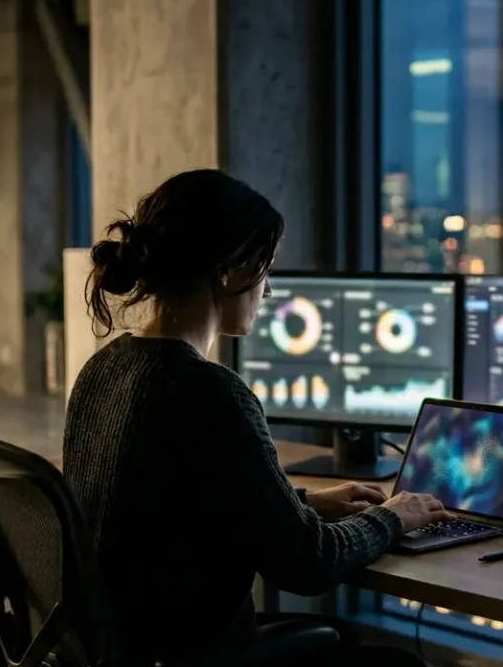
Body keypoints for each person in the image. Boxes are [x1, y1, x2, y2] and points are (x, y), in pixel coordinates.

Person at [63, 169, 448, 666]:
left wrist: (298, 500)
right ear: (228, 270)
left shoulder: (103, 368)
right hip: (190, 649)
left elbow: (163, 506)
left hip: (124, 646)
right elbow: (309, 564)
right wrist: (392, 517)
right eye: (264, 268)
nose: (266, 291)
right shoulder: (211, 391)